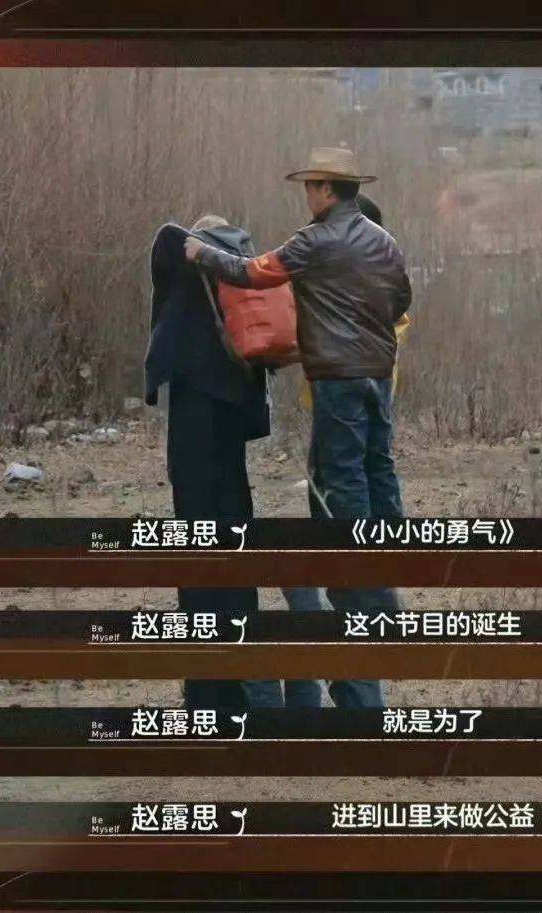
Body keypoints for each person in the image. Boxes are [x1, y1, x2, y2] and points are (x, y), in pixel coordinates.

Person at [184, 148, 411, 707]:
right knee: (378, 465)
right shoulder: (384, 242)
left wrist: (201, 253)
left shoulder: (315, 240)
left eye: (310, 186)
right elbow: (401, 298)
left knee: (340, 475)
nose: (306, 195)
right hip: (378, 372)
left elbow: (254, 272)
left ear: (326, 189)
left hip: (337, 375)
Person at [144, 213, 278, 709]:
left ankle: (205, 692)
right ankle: (243, 684)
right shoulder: (243, 273)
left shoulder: (186, 260)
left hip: (195, 422)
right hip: (233, 423)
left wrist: (198, 244)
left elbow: (166, 239)